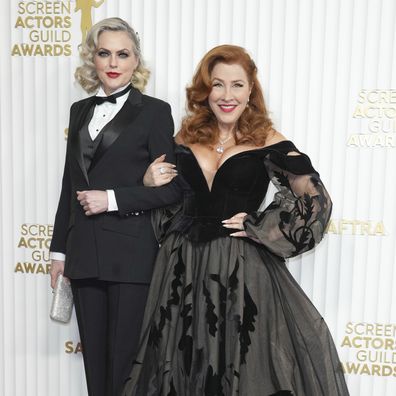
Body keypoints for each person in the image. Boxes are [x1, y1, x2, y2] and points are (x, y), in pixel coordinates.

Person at [123, 45, 349, 395]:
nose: (227, 95)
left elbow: (314, 198)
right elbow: (167, 203)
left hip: (240, 271)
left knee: (241, 367)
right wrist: (148, 182)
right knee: (180, 368)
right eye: (218, 85)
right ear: (205, 91)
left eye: (237, 85)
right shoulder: (183, 137)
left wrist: (260, 224)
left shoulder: (270, 141)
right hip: (182, 268)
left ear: (250, 92)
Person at [49, 17, 181, 396]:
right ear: (93, 58)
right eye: (104, 53)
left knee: (126, 368)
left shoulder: (155, 111)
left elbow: (172, 191)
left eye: (122, 54)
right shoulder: (78, 110)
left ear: (136, 61)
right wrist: (59, 250)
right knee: (95, 369)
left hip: (131, 255)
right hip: (84, 254)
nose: (113, 62)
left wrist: (112, 199)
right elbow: (68, 187)